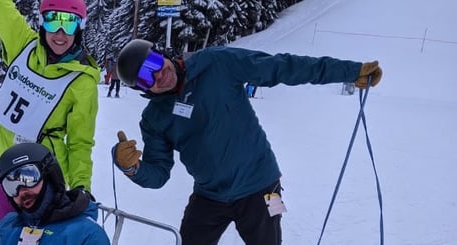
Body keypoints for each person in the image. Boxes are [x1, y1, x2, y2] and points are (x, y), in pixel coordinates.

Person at [111, 39, 383, 245]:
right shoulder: (155, 118)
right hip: (210, 195)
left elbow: (283, 67)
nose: (158, 76)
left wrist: (349, 71)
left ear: (162, 53)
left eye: (154, 64)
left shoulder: (216, 63)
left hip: (260, 186)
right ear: (141, 90)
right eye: (146, 78)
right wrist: (132, 168)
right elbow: (158, 174)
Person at [0, 0, 101, 239]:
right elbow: (1, 7)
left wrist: (82, 187)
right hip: (9, 167)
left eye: (69, 24)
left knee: (38, 237)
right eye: (53, 21)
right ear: (42, 22)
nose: (60, 34)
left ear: (80, 28)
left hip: (44, 176)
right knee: (3, 234)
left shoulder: (82, 82)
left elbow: (80, 142)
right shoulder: (24, 45)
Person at [0, 143, 110, 244]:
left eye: (29, 179)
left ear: (50, 176)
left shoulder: (85, 233)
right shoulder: (8, 227)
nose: (22, 191)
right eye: (11, 186)